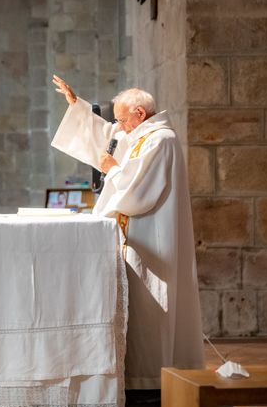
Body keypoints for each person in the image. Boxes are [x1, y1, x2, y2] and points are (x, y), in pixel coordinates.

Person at [51, 74, 205, 390]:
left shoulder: (161, 140)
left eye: (123, 119)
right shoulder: (139, 136)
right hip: (135, 235)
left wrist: (111, 169)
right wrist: (78, 107)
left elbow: (137, 190)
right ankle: (136, 377)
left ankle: (151, 380)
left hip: (152, 235)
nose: (119, 126)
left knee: (152, 308)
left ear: (140, 113)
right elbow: (107, 137)